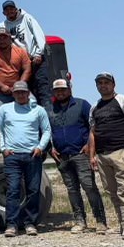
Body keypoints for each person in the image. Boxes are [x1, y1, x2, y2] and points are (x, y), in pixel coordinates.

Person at [49, 79, 108, 235]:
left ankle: (100, 221)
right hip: (62, 157)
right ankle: (80, 221)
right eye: (57, 90)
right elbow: (46, 131)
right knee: (72, 190)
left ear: (69, 89)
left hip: (81, 154)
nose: (60, 92)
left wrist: (89, 146)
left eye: (63, 89)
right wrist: (51, 148)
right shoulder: (50, 109)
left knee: (89, 187)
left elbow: (93, 126)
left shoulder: (82, 105)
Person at [88, 72, 124, 241]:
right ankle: (121, 223)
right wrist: (92, 155)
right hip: (103, 155)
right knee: (112, 191)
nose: (103, 85)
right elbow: (92, 133)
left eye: (106, 82)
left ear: (113, 84)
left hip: (121, 152)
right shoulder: (95, 107)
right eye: (100, 83)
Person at [0, 81, 52, 237]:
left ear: (28, 93)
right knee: (13, 190)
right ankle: (11, 225)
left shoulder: (38, 110)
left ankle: (29, 223)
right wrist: (3, 148)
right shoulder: (4, 109)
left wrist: (40, 147)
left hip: (32, 155)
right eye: (17, 92)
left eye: (23, 92)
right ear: (13, 94)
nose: (20, 95)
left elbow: (47, 130)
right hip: (12, 156)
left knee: (33, 190)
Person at [0, 0, 51, 111]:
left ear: (16, 9)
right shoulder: (4, 25)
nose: (10, 11)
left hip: (35, 60)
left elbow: (39, 35)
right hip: (22, 64)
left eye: (11, 8)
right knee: (26, 91)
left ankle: (48, 119)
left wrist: (39, 53)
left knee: (42, 91)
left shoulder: (27, 18)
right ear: (3, 13)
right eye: (7, 10)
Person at [0, 27, 32, 110]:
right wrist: (2, 86)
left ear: (10, 38)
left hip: (19, 90)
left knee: (33, 103)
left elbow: (27, 69)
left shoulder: (20, 51)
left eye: (5, 37)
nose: (2, 40)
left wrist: (19, 85)